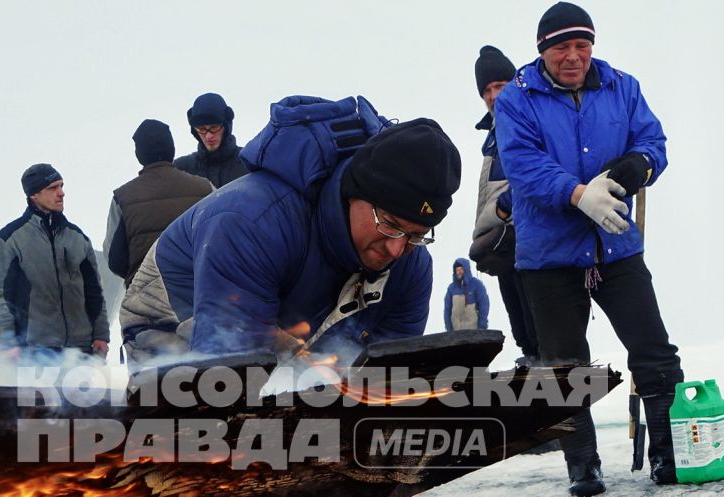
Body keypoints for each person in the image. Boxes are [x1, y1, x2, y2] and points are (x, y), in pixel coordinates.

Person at [496, 1, 683, 497]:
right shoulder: (515, 99)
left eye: (582, 45)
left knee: (654, 350)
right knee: (564, 367)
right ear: (543, 52)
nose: (573, 56)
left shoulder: (624, 86)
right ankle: (583, 467)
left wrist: (638, 166)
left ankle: (668, 454)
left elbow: (654, 141)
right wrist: (579, 195)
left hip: (616, 248)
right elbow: (521, 165)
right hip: (548, 258)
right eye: (562, 47)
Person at [120, 97, 460, 360]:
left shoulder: (411, 265)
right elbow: (228, 367)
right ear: (355, 194)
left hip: (291, 332)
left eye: (417, 235)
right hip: (171, 318)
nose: (397, 250)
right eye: (390, 225)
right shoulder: (254, 224)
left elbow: (387, 373)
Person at [0, 164, 108, 362]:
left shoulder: (79, 238)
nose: (61, 193)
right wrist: (8, 343)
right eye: (53, 188)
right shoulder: (10, 238)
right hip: (35, 351)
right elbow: (1, 296)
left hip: (81, 350)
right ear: (34, 194)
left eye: (61, 186)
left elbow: (94, 291)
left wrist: (101, 335)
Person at [466, 44, 539, 362]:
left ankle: (547, 366)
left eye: (499, 85)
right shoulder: (493, 133)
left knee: (538, 315)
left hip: (525, 233)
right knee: (518, 317)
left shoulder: (531, 119)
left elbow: (539, 169)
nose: (493, 95)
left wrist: (504, 208)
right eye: (486, 90)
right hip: (504, 239)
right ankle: (531, 356)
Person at [104, 119, 213, 287]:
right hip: (197, 294)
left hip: (145, 299)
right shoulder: (206, 189)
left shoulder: (123, 198)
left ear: (139, 153)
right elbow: (222, 238)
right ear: (171, 148)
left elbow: (114, 259)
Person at [174, 91, 250, 188]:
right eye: (201, 129)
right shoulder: (181, 168)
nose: (208, 136)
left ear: (226, 127)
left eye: (214, 127)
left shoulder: (249, 164)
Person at [443, 257, 491, 332]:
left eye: (461, 269)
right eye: (457, 270)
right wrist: (448, 328)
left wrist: (482, 326)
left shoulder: (476, 285)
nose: (459, 272)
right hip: (456, 333)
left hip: (474, 331)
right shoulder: (451, 289)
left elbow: (484, 304)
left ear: (466, 269)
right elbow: (447, 309)